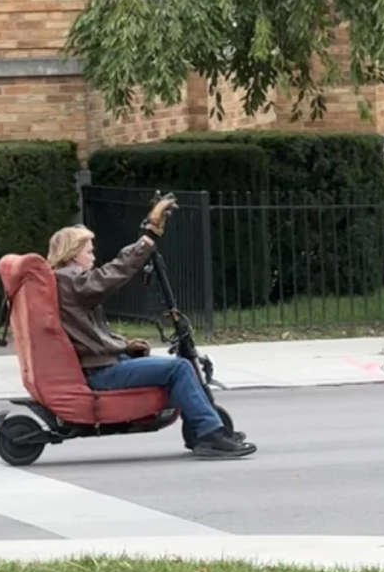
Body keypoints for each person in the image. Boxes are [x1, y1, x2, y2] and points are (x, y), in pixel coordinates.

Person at [47, 197, 256, 459]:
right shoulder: (71, 280)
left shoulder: (67, 281)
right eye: (88, 250)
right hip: (101, 372)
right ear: (72, 252)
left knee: (173, 369)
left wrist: (123, 346)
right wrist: (147, 239)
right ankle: (209, 435)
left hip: (103, 363)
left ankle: (202, 429)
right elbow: (111, 275)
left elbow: (89, 330)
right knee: (179, 367)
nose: (93, 255)